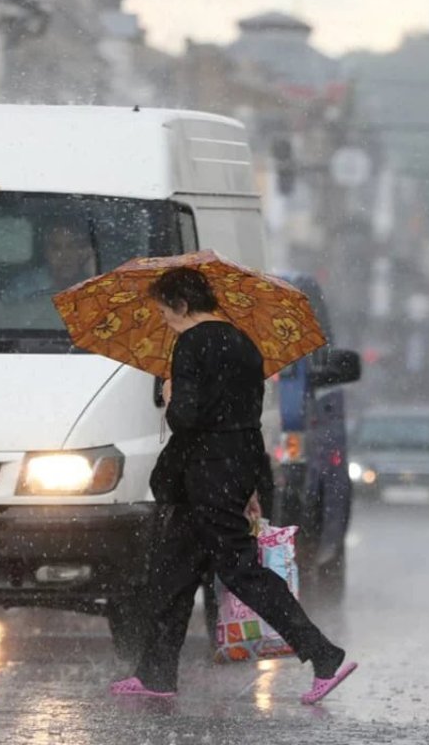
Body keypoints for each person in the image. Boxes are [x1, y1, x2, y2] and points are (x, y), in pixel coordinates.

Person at [109, 266, 356, 704]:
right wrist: (252, 485)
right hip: (229, 469)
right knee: (173, 573)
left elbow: (187, 418)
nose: (166, 321)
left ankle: (324, 656)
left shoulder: (190, 343)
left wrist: (170, 397)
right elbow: (248, 418)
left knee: (241, 570)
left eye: (166, 312)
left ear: (183, 305)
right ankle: (156, 674)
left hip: (205, 471)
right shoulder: (246, 345)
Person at [1, 222, 97, 301]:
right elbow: (1, 318)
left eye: (71, 247)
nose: (65, 256)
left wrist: (93, 274)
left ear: (82, 252)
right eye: (56, 248)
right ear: (46, 253)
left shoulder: (93, 284)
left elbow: (109, 318)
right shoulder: (24, 287)